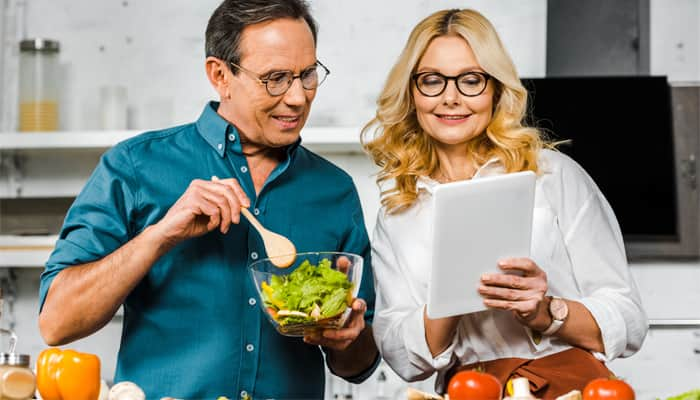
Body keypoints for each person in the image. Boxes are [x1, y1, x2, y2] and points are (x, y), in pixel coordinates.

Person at [38, 1, 379, 398]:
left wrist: (348, 337)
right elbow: (57, 322)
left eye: (307, 75)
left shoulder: (332, 190)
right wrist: (159, 235)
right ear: (220, 75)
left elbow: (359, 365)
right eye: (275, 78)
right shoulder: (134, 166)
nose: (298, 98)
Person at [361, 8, 647, 399]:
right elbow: (401, 356)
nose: (450, 97)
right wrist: (451, 296)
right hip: (468, 390)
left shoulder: (553, 176)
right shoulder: (399, 210)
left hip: (572, 390)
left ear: (495, 89)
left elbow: (629, 320)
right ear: (411, 92)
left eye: (471, 80)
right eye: (431, 80)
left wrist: (544, 311)